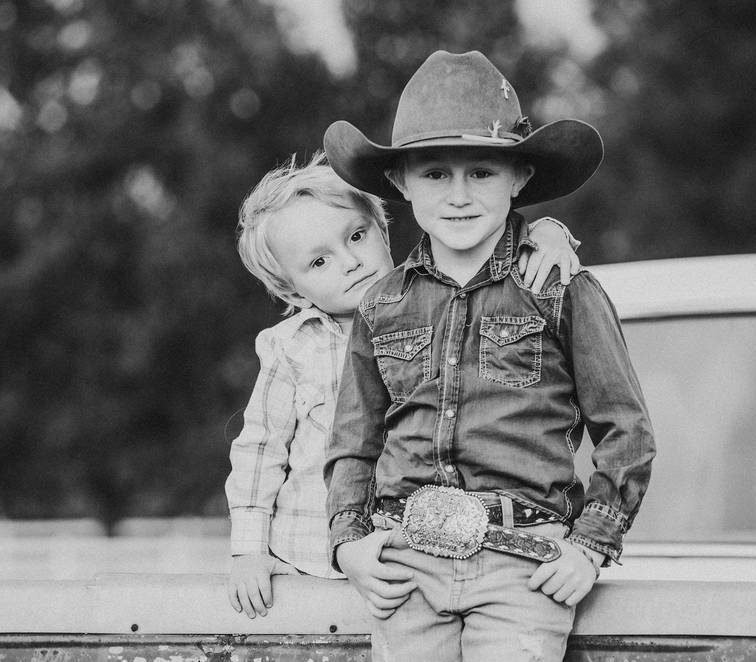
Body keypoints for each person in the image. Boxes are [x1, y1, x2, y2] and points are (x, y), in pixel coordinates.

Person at [322, 50, 656, 662]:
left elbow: (626, 428)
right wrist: (349, 543)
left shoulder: (561, 287)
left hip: (522, 563)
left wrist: (591, 545)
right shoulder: (382, 304)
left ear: (519, 177)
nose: (458, 193)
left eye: (481, 171)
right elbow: (353, 440)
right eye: (435, 173)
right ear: (401, 183)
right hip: (405, 559)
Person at [225, 151, 585, 619]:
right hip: (311, 563)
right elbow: (260, 449)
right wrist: (248, 550)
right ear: (293, 291)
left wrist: (548, 232)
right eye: (318, 262)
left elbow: (479, 237)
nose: (351, 262)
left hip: (415, 562)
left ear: (384, 229)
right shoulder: (293, 347)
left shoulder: (433, 302)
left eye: (357, 235)